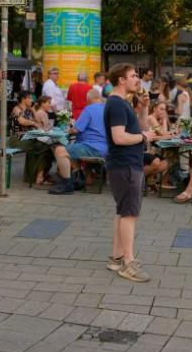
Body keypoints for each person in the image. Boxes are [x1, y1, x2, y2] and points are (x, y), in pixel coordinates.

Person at [104, 63, 154, 282]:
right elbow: (119, 137)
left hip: (124, 164)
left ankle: (116, 258)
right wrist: (143, 138)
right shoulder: (116, 104)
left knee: (122, 211)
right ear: (121, 80)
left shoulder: (122, 103)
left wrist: (143, 110)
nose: (137, 79)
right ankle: (128, 263)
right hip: (125, 165)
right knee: (129, 214)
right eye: (133, 76)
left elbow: (135, 129)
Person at [49, 89, 108, 195]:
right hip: (104, 148)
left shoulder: (89, 109)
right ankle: (78, 178)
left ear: (89, 99)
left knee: (59, 150)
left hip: (92, 147)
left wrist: (69, 130)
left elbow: (76, 129)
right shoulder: (107, 109)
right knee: (73, 149)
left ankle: (66, 184)